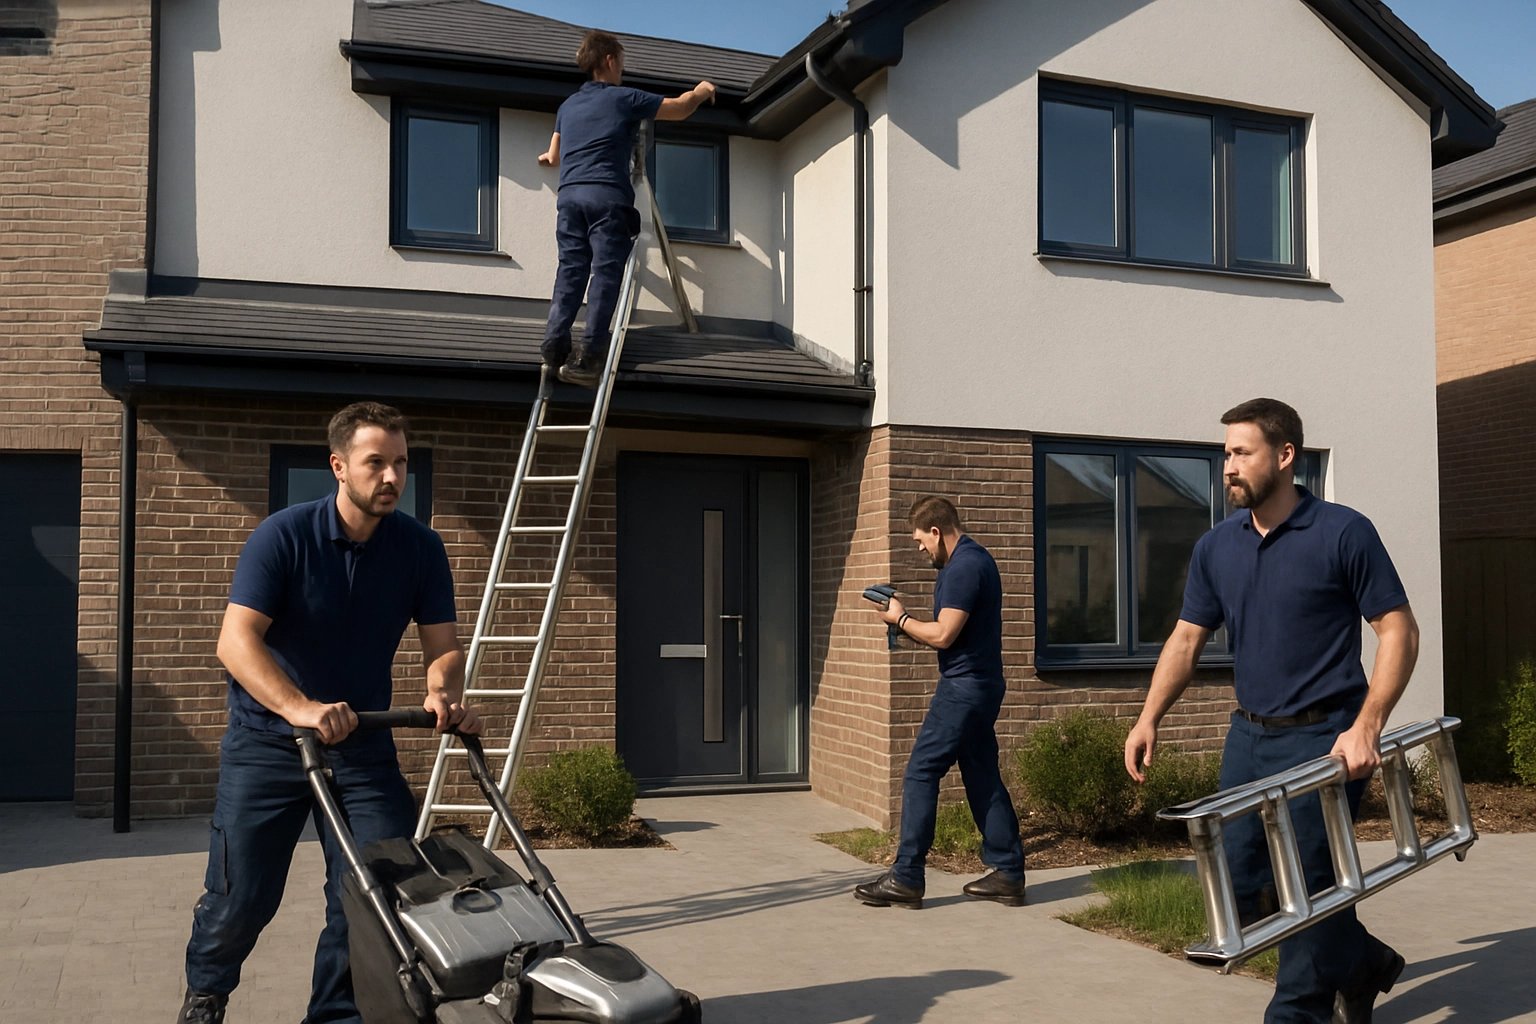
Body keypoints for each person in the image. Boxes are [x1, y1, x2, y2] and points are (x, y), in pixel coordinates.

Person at [177, 402, 484, 1024]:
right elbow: (235, 642)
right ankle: (206, 997)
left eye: (401, 463)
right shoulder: (283, 536)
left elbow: (444, 647)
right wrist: (302, 708)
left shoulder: (421, 548)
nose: (392, 477)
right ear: (339, 466)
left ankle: (337, 1017)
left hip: (362, 748)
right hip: (268, 745)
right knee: (240, 899)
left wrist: (441, 692)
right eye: (376, 463)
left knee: (371, 896)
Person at [1123, 398, 1418, 1024]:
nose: (1227, 466)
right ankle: (1362, 964)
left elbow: (1398, 630)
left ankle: (1297, 1011)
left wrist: (1367, 726)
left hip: (1324, 738)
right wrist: (1149, 717)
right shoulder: (1217, 546)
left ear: (1285, 456)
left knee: (1307, 885)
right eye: (1225, 453)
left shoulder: (1343, 532)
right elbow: (1186, 638)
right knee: (1238, 887)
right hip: (1249, 738)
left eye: (1241, 452)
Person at [854, 496, 1027, 909]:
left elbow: (945, 635)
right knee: (982, 774)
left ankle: (906, 877)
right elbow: (951, 634)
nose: (920, 549)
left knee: (921, 771)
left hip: (963, 690)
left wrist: (900, 619)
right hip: (982, 685)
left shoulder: (964, 567)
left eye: (921, 540)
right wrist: (906, 623)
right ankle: (1008, 872)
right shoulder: (976, 560)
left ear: (937, 531)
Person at [537, 29, 716, 388]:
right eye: (621, 62)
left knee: (571, 269)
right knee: (605, 273)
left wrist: (546, 158)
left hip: (569, 197)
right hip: (606, 196)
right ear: (609, 60)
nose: (622, 68)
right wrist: (701, 91)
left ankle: (555, 342)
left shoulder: (568, 106)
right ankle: (590, 355)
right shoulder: (625, 98)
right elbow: (679, 108)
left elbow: (553, 155)